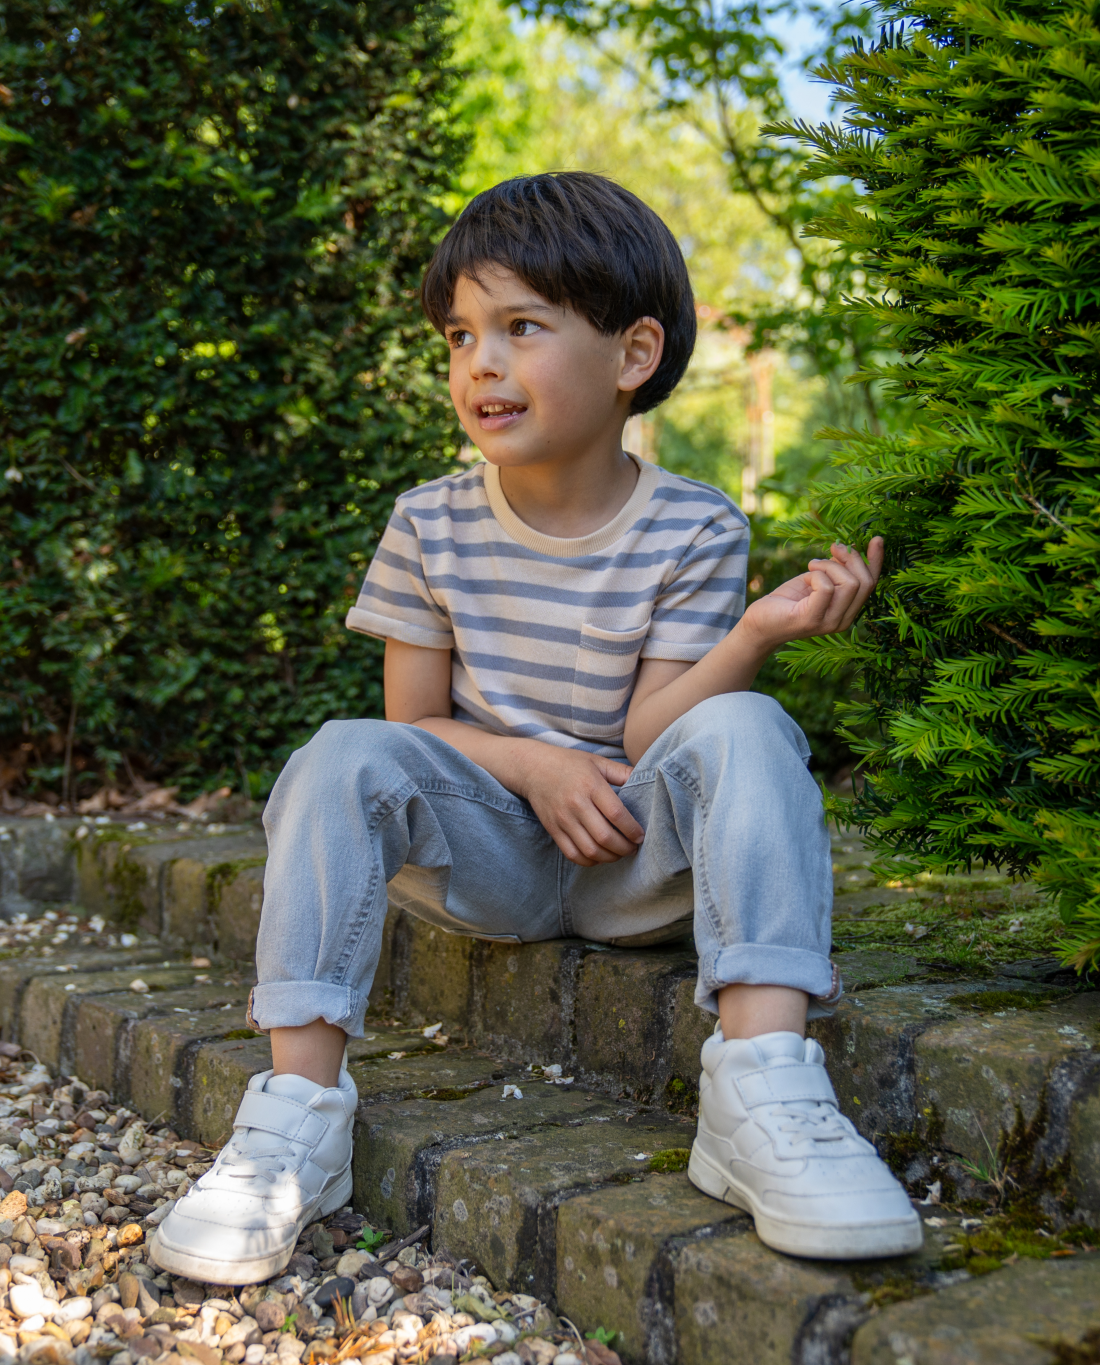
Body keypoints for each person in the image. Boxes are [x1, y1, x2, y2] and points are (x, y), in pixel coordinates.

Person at [150, 172, 921, 1285]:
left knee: (748, 724)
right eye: (460, 335)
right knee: (339, 753)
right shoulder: (427, 522)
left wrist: (751, 635)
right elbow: (409, 727)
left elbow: (660, 730)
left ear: (632, 354)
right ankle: (293, 1124)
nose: (480, 364)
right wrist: (531, 761)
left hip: (630, 862)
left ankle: (761, 1089)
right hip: (492, 858)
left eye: (519, 327)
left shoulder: (695, 524)